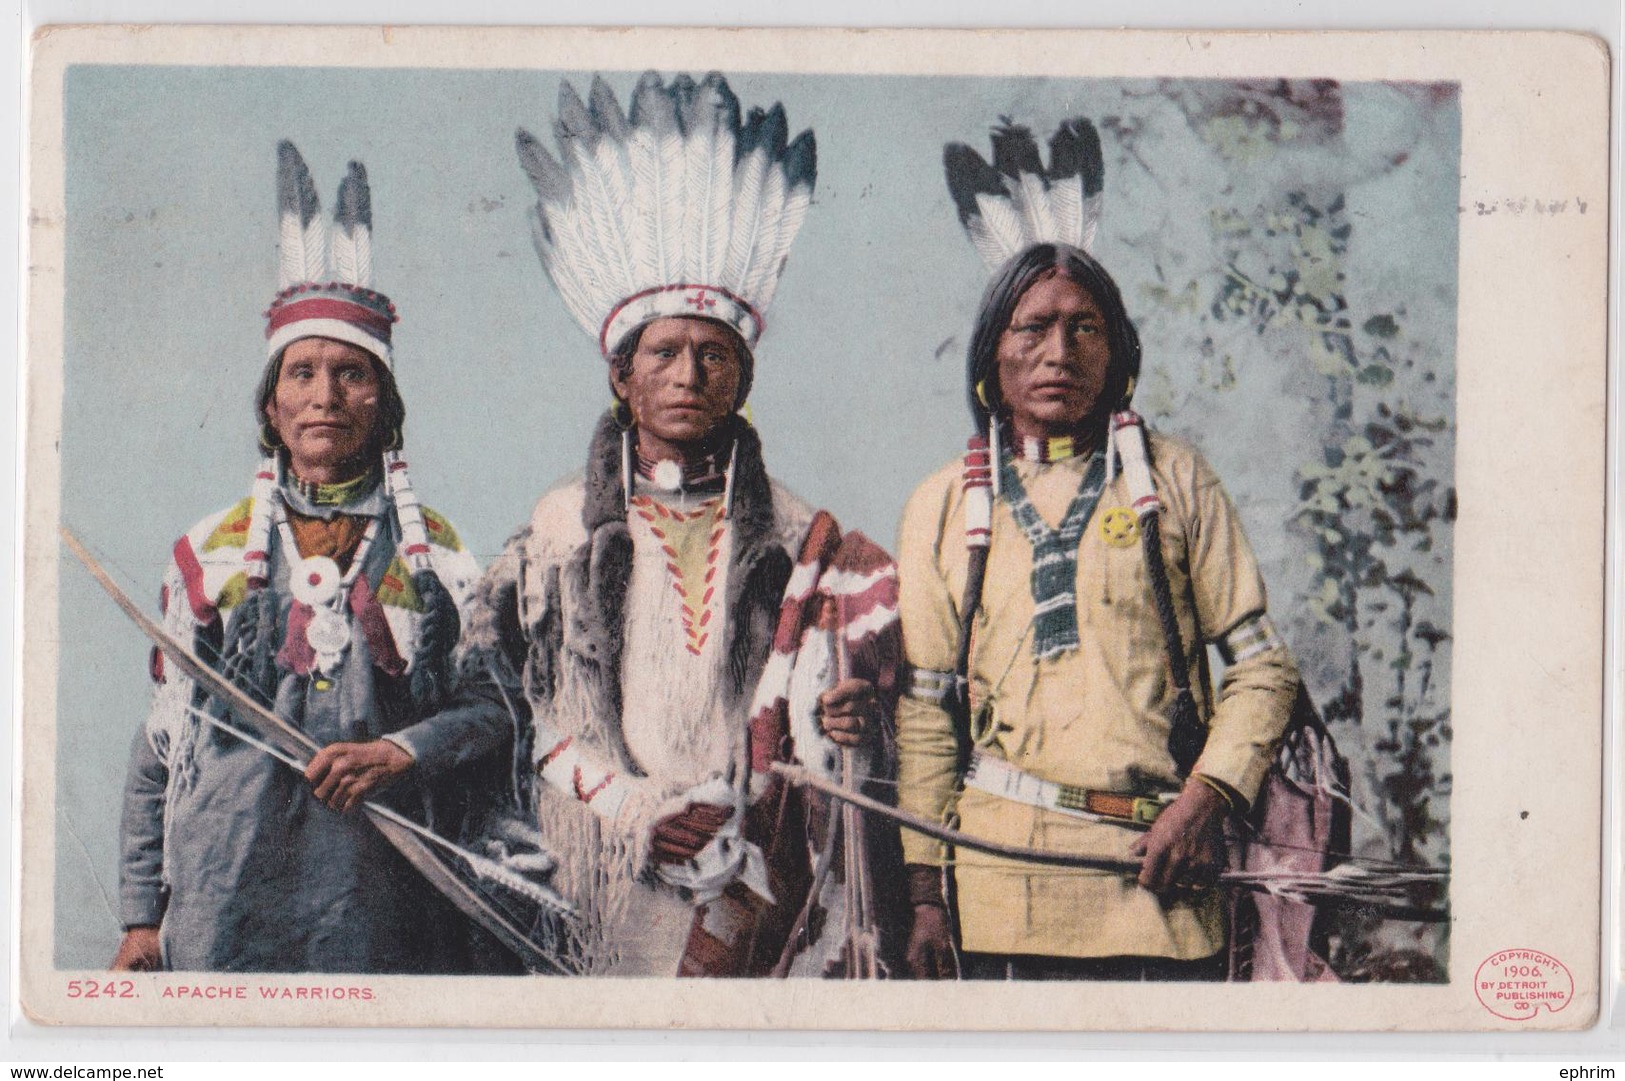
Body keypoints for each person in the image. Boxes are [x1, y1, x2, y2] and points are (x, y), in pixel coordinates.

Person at [448, 71, 905, 976]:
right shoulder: (559, 533)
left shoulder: (802, 539)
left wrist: (827, 739)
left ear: (743, 378)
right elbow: (512, 706)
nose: (688, 374)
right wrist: (630, 809)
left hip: (760, 874)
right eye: (664, 352)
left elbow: (855, 714)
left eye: (713, 355)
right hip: (605, 876)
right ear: (622, 377)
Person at [895, 119, 1301, 980]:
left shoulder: (1175, 481)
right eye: (1031, 328)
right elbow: (927, 708)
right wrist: (928, 896)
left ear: (1116, 352)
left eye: (1085, 329)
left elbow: (1264, 670)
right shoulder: (941, 505)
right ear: (989, 357)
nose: (1057, 353)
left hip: (1160, 879)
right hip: (1000, 887)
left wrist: (1204, 800)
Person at [113, 143, 495, 974]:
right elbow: (162, 746)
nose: (325, 395)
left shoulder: (441, 554)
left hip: (387, 898)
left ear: (384, 404)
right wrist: (143, 916)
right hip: (227, 901)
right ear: (270, 401)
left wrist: (403, 751)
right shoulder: (211, 551)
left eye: (352, 374)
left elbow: (494, 713)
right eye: (304, 372)